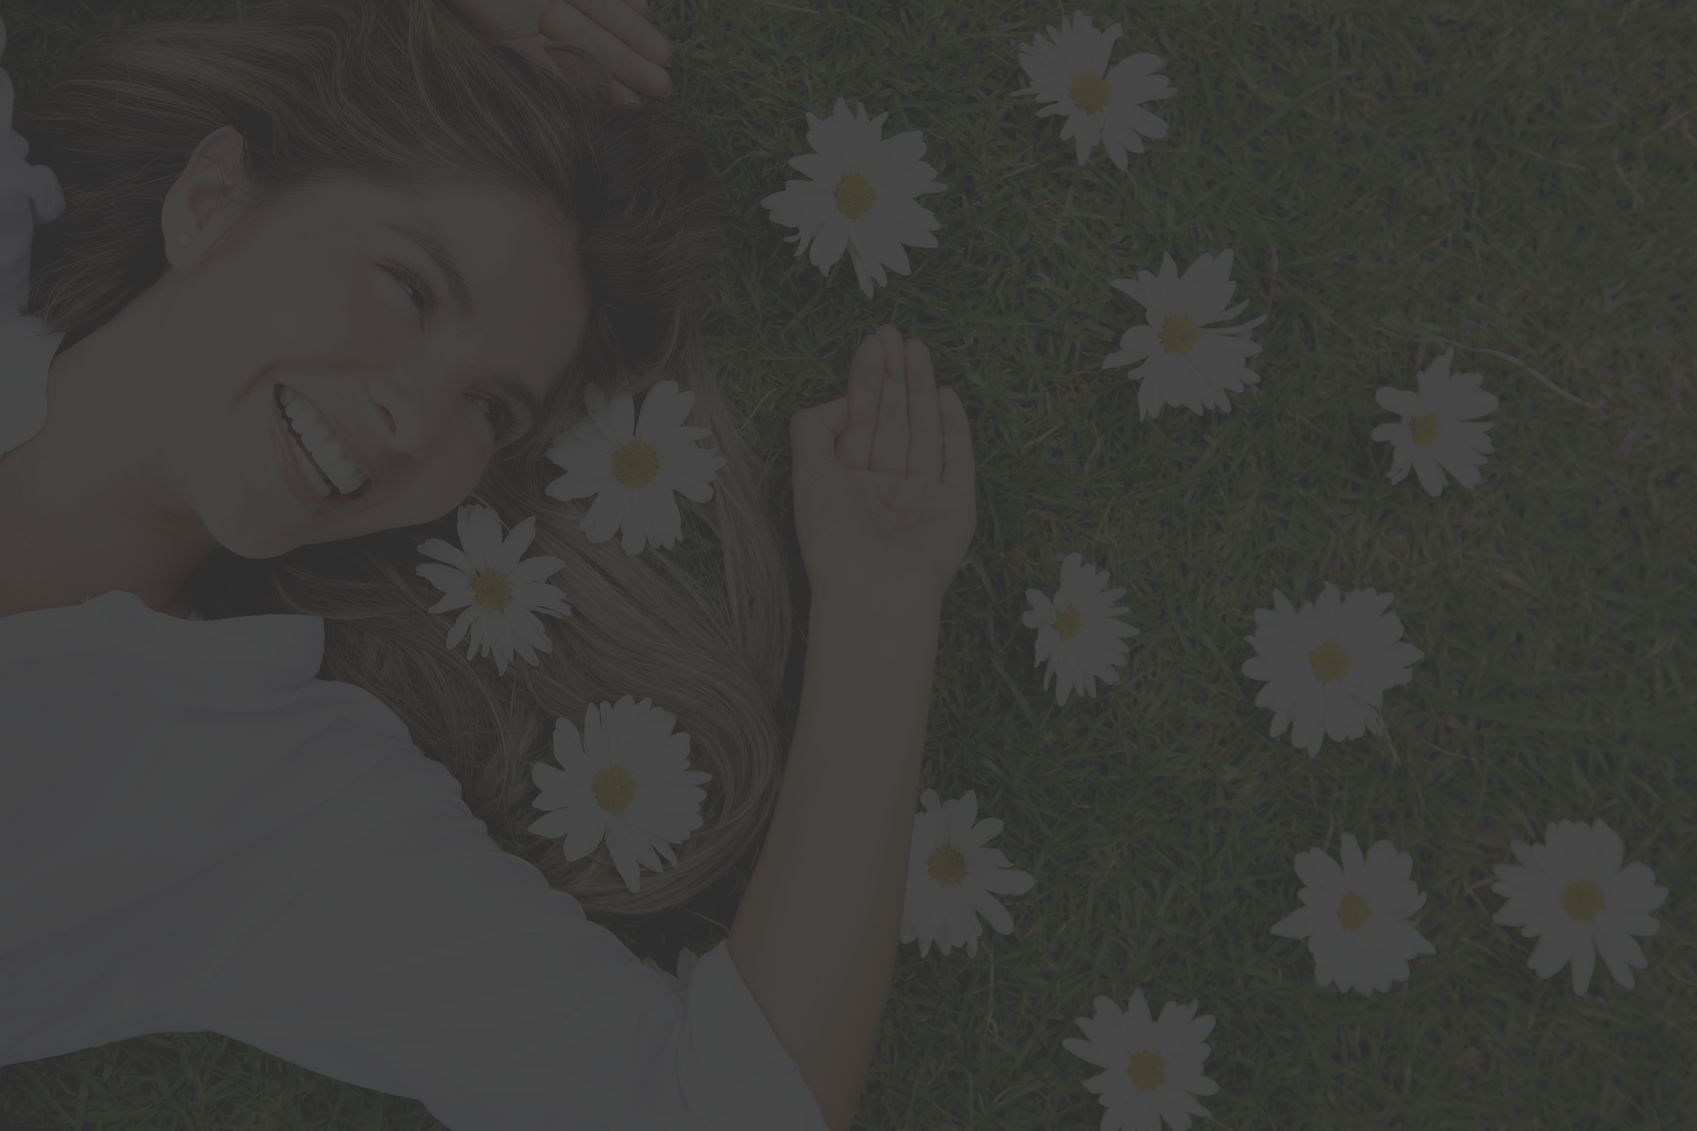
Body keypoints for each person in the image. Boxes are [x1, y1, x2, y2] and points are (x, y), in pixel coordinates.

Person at [0, 2, 977, 1129]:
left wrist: (879, 610)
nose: (415, 420)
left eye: (490, 410)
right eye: (409, 287)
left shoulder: (249, 793)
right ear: (211, 198)